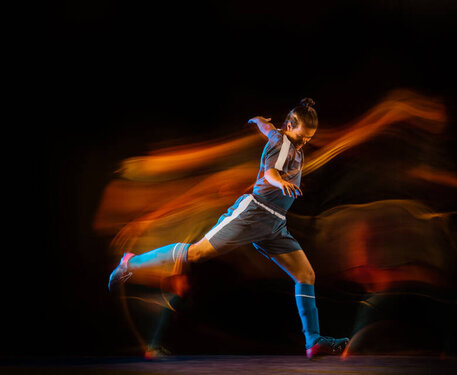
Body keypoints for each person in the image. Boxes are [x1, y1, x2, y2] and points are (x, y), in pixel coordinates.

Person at [108, 98, 349, 359]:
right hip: (254, 214)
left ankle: (313, 341)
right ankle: (131, 263)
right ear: (290, 126)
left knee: (305, 274)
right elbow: (270, 173)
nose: (305, 142)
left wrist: (260, 121)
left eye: (309, 138)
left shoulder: (283, 137)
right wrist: (279, 182)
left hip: (275, 224)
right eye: (302, 136)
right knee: (198, 253)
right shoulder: (283, 144)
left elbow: (268, 130)